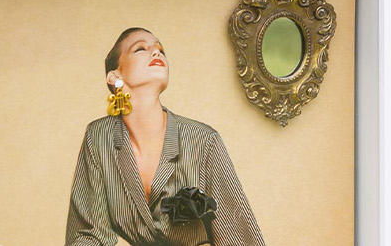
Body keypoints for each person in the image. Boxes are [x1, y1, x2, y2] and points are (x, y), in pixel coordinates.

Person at [66, 28, 266, 246]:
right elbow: (87, 235)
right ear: (115, 76)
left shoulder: (204, 141)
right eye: (140, 49)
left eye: (161, 49)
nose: (156, 53)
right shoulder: (99, 138)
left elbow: (238, 236)